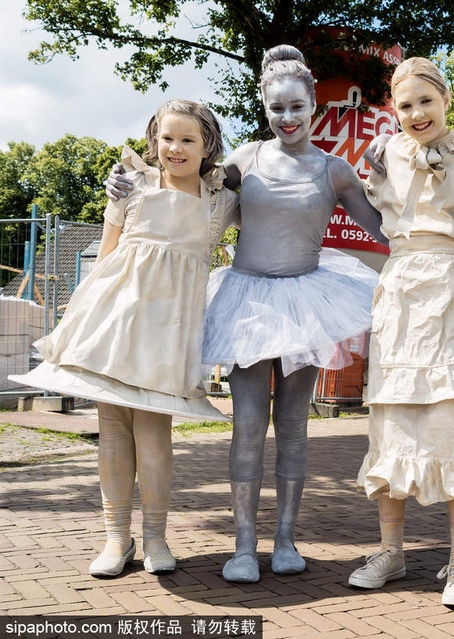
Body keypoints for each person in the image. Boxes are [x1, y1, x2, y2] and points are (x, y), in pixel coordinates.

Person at [107, 46, 388, 584]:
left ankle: (285, 540)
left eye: (296, 107)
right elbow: (182, 189)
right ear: (264, 107)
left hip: (308, 304)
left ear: (313, 109)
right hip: (247, 304)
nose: (287, 118)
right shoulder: (242, 162)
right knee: (248, 426)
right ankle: (242, 546)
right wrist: (126, 191)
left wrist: (395, 178)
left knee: (295, 426)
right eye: (276, 108)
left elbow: (384, 230)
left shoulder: (336, 171)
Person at [13, 99, 240, 577]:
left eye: (188, 139)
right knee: (113, 429)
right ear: (154, 142)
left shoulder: (221, 198)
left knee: (154, 433)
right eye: (166, 138)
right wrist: (79, 317)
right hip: (115, 319)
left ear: (208, 146)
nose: (175, 148)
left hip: (170, 330)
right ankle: (117, 537)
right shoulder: (131, 185)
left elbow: (267, 184)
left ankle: (156, 536)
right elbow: (107, 253)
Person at [349, 58, 454, 608]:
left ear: (447, 98)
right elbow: (373, 207)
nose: (416, 113)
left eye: (426, 101)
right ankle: (392, 551)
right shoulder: (386, 151)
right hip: (399, 291)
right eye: (404, 104)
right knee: (390, 426)